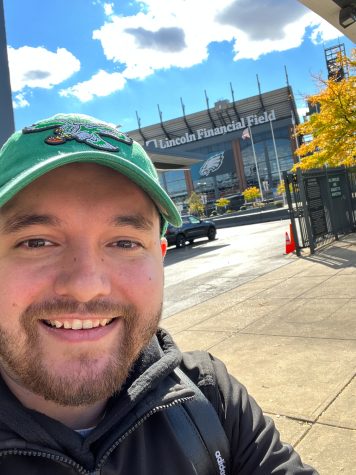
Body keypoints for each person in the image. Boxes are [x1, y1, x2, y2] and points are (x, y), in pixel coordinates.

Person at [0, 113, 317, 474]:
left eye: (124, 242)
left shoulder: (212, 398)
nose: (86, 285)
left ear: (160, 259)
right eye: (36, 242)